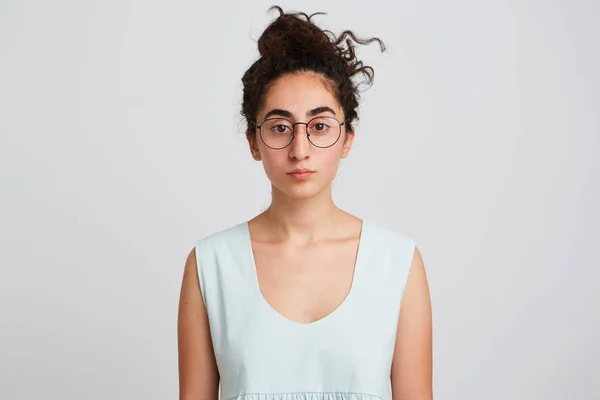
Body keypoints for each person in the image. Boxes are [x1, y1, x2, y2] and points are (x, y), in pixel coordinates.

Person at [177, 5, 433, 400]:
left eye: (319, 126)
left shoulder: (396, 263)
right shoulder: (211, 265)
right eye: (280, 127)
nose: (300, 149)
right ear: (253, 143)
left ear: (347, 138)